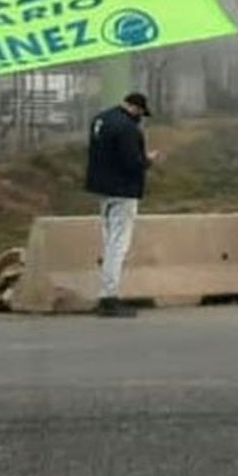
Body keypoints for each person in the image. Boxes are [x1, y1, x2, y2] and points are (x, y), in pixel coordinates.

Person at [84, 91, 158, 318]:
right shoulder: (127, 128)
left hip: (103, 190)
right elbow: (132, 162)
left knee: (109, 242)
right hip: (123, 191)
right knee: (118, 245)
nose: (140, 118)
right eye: (141, 114)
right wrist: (148, 160)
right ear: (136, 108)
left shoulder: (101, 119)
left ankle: (107, 292)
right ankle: (109, 297)